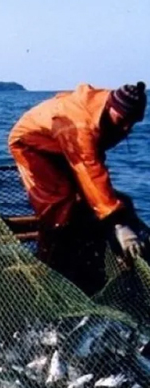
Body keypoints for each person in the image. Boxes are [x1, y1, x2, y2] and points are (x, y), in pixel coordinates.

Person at [9, 82, 148, 294]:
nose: (127, 127)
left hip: (66, 146)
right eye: (123, 120)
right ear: (112, 108)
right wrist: (118, 223)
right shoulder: (79, 125)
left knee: (100, 204)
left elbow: (95, 164)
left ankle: (91, 267)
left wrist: (110, 208)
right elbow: (88, 169)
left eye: (133, 122)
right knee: (60, 205)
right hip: (33, 146)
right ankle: (50, 270)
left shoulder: (113, 114)